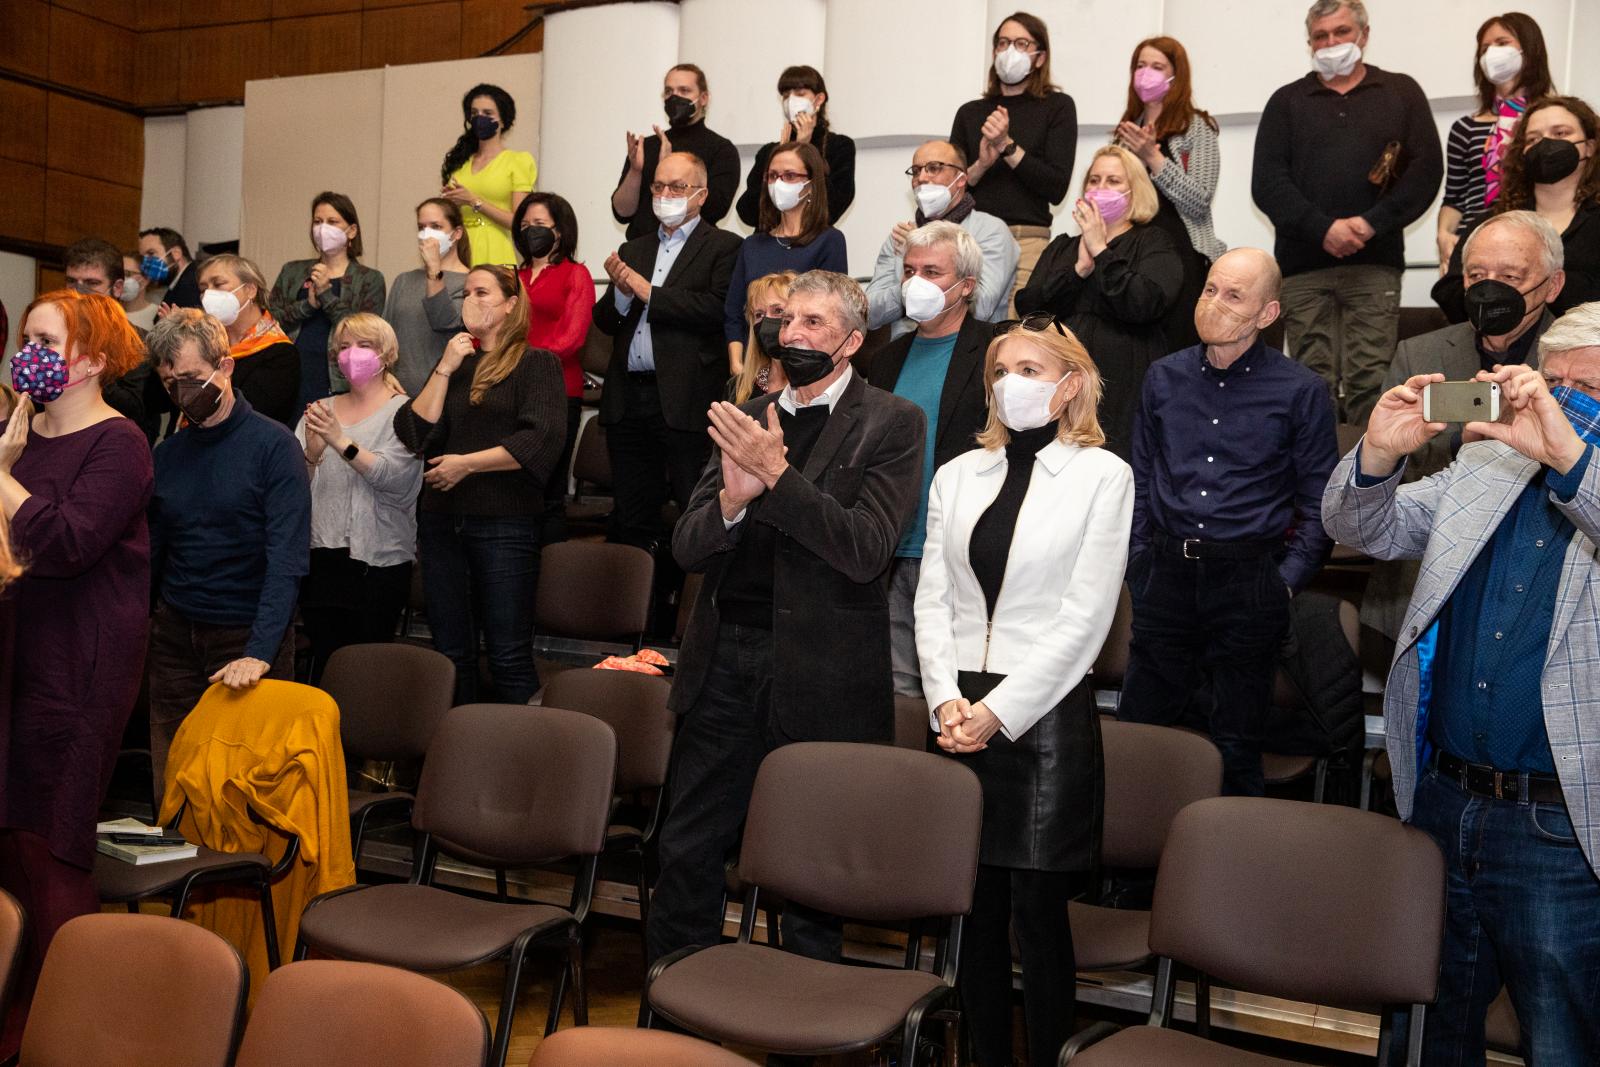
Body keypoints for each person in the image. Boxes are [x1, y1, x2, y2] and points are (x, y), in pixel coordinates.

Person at [1322, 301, 1600, 1063]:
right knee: (1425, 1030)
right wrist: (1378, 456)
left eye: (1587, 390)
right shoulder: (1488, 460)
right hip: (1445, 802)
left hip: (1561, 828)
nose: (1562, 399)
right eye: (1553, 380)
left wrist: (1571, 453)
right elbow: (1364, 529)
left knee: (1563, 1039)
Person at [648, 270, 925, 971]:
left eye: (813, 324)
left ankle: (806, 1027)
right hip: (722, 666)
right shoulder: (749, 410)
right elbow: (687, 546)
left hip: (821, 675)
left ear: (853, 341)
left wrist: (778, 478)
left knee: (807, 874)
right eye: (786, 321)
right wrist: (732, 504)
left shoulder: (893, 421)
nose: (792, 334)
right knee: (687, 848)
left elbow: (866, 550)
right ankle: (678, 1012)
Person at [915, 319, 1130, 1067]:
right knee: (969, 910)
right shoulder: (956, 474)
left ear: (1070, 383)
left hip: (1041, 711)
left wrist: (997, 712)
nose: (1011, 380)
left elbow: (1086, 618)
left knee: (1037, 918)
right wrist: (945, 696)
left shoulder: (1105, 475)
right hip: (955, 711)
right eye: (1001, 367)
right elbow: (931, 598)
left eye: (1031, 366)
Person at [1118, 248, 1339, 797]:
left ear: (1267, 314)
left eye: (1233, 295)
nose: (1213, 303)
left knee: (1237, 742)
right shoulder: (1162, 377)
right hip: (1164, 573)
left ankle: (1231, 872)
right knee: (1142, 733)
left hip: (1249, 580)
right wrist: (1138, 562)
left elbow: (1319, 504)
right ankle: (1128, 878)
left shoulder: (1300, 391)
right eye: (1210, 289)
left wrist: (1284, 583)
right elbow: (1140, 480)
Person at [0, 290, 152, 1055]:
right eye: (25, 336)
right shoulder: (18, 434)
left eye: (45, 340)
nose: (27, 351)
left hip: (78, 664)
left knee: (48, 842)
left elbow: (68, 540)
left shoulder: (118, 443)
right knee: (7, 846)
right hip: (15, 653)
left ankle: (78, 1028)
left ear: (91, 359)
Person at [1360, 211, 1566, 649]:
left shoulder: (1577, 364)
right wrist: (1462, 445)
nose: (1491, 288)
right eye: (1477, 274)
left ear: (1553, 285)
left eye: (1510, 275)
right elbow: (1388, 481)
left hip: (1535, 592)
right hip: (1429, 579)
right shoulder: (1419, 353)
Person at [1251, 0, 1443, 425]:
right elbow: (1267, 182)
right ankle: (1316, 486)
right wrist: (1323, 229)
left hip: (1375, 266)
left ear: (1364, 35)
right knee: (1308, 382)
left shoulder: (1401, 92)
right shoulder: (1286, 101)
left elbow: (1425, 172)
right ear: (1309, 43)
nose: (1331, 43)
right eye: (1321, 36)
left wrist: (1370, 224)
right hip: (1303, 269)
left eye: (1341, 32)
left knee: (1371, 382)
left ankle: (1369, 483)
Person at [145, 309, 310, 789]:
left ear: (226, 367)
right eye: (171, 382)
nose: (183, 392)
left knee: (246, 786)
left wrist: (259, 652)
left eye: (193, 378)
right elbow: (154, 551)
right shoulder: (168, 453)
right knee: (173, 779)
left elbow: (287, 559)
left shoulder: (274, 447)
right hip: (175, 634)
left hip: (247, 635)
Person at [394, 265, 566, 705]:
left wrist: (466, 465)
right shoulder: (456, 365)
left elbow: (540, 440)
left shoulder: (537, 363)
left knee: (508, 656)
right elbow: (414, 433)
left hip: (503, 524)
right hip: (441, 524)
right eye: (465, 292)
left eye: (482, 292)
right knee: (451, 654)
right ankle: (459, 756)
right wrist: (444, 369)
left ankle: (522, 764)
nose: (470, 299)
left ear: (511, 305)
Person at [861, 222, 995, 698]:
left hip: (960, 549)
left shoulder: (997, 352)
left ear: (967, 286)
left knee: (959, 694)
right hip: (893, 547)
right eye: (910, 270)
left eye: (932, 271)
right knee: (898, 694)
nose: (916, 282)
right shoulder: (885, 360)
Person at [595, 151, 741, 553]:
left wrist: (648, 293)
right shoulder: (634, 248)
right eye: (659, 186)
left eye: (678, 187)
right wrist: (624, 296)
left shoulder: (725, 247)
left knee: (694, 509)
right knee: (631, 515)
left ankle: (682, 606)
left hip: (685, 401)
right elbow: (606, 321)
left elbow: (716, 309)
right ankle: (638, 611)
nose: (665, 194)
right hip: (629, 400)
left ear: (701, 195)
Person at [1016, 144, 1183, 458]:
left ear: (1136, 191)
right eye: (1094, 180)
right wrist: (1079, 270)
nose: (1101, 188)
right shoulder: (1063, 247)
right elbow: (1030, 309)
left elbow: (1145, 304)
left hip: (1124, 387)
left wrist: (1102, 252)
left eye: (1113, 181)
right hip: (1060, 385)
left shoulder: (1153, 241)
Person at [294, 314, 422, 684]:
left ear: (387, 354)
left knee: (367, 673)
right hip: (322, 556)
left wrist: (340, 441)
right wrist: (314, 455)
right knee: (326, 664)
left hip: (379, 562)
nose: (353, 354)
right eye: (345, 346)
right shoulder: (319, 409)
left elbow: (397, 481)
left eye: (363, 345)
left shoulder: (406, 413)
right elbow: (295, 489)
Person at [950, 12, 1078, 311]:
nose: (1010, 51)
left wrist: (1007, 146)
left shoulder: (1057, 107)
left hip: (1027, 240)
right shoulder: (970, 112)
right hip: (973, 238)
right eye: (1004, 43)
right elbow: (951, 189)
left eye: (1021, 43)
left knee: (1016, 332)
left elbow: (1056, 187)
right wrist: (982, 163)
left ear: (1040, 57)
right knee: (968, 326)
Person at [1435, 95, 1600, 323]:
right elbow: (1450, 290)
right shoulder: (1493, 220)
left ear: (1589, 146)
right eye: (1533, 139)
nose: (1545, 144)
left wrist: (1528, 287)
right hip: (1499, 349)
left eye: (1560, 133)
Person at [1114, 35, 1226, 351]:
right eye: (1140, 65)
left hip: (1183, 258)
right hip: (1132, 260)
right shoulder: (1126, 132)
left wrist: (1153, 157)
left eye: (1157, 66)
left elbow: (1200, 201)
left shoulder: (1197, 127)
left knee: (1178, 349)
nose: (1146, 73)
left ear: (1176, 76)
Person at [1437, 13, 1556, 271]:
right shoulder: (1465, 127)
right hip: (1477, 243)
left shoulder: (1556, 122)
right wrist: (1444, 235)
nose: (1492, 53)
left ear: (1529, 48)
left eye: (1502, 43)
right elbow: (1455, 196)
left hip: (1538, 245)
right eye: (1485, 48)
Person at [866, 140, 1018, 338]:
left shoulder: (990, 230)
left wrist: (919, 275)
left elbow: (982, 307)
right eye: (916, 170)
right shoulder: (900, 237)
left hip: (971, 351)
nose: (921, 177)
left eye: (933, 168)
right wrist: (909, 286)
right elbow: (868, 314)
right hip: (906, 350)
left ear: (961, 179)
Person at [511, 191, 593, 545]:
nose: (531, 231)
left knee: (549, 491)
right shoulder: (512, 276)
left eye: (540, 225)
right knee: (514, 489)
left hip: (558, 391)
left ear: (559, 231)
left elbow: (571, 339)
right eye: (525, 225)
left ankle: (548, 579)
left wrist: (520, 361)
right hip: (511, 391)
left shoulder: (576, 274)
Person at [724, 142, 846, 373]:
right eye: (773, 176)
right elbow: (734, 314)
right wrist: (737, 365)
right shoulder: (752, 245)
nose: (779, 183)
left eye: (789, 176)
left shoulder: (829, 240)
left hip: (804, 365)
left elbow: (830, 312)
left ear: (810, 184)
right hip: (753, 368)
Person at [268, 191, 387, 406]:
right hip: (289, 375)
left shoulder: (369, 279)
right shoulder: (292, 271)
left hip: (338, 381)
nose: (323, 229)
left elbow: (365, 333)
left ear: (351, 231)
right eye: (317, 221)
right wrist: (308, 305)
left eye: (332, 222)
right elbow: (269, 322)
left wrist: (326, 295)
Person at [611, 64, 741, 241]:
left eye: (684, 90)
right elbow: (622, 213)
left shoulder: (721, 149)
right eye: (669, 91)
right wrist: (635, 171)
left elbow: (715, 210)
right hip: (641, 248)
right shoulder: (646, 146)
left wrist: (669, 166)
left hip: (692, 251)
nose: (675, 97)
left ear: (703, 98)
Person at [735, 65, 856, 228]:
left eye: (799, 94)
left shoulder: (840, 147)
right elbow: (747, 213)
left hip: (813, 245)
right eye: (785, 95)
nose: (790, 101)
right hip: (769, 242)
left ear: (819, 99)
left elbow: (832, 209)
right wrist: (779, 158)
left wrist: (803, 150)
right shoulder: (768, 152)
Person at [439, 84, 537, 269]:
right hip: (459, 249)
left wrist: (474, 201)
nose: (479, 118)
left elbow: (518, 222)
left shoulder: (517, 161)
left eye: (487, 113)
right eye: (474, 113)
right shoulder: (459, 163)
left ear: (502, 120)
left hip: (495, 247)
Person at [199, 254, 301, 428]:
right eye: (203, 289)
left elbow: (253, 413)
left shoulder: (279, 353)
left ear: (250, 290)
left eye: (218, 284)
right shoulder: (205, 344)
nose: (208, 294)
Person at [62, 239, 154, 433]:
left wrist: (89, 362)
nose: (78, 291)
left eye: (92, 283)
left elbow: (134, 409)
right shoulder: (53, 333)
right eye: (72, 281)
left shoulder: (136, 341)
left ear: (117, 288)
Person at [383, 197, 471, 397]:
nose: (427, 234)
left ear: (456, 233)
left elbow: (443, 321)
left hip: (444, 394)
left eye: (436, 226)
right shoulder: (404, 280)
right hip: (396, 394)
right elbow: (384, 335)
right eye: (421, 227)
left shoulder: (470, 282)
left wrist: (434, 270)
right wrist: (383, 373)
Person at [730, 272, 794, 404]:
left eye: (778, 311)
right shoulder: (738, 387)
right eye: (759, 314)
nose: (767, 321)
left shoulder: (815, 387)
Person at [138, 226, 200, 310]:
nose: (146, 262)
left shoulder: (194, 283)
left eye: (151, 253)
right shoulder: (179, 283)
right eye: (143, 257)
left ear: (176, 253)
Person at [118, 252, 158, 331]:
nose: (121, 279)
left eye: (127, 274)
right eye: (119, 274)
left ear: (145, 280)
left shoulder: (157, 315)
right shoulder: (108, 312)